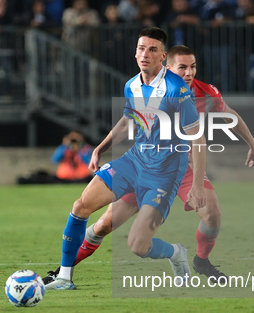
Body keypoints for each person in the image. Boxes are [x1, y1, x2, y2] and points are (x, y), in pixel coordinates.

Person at [43, 45, 254, 286]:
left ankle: (202, 261)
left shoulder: (205, 93)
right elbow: (127, 121)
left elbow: (229, 115)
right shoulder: (152, 90)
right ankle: (63, 272)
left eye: (193, 67)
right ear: (169, 68)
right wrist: (101, 147)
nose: (189, 73)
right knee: (103, 225)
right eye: (183, 68)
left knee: (212, 215)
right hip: (145, 165)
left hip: (184, 168)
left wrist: (252, 143)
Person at [44, 27, 206, 290]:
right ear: (135, 53)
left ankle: (176, 252)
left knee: (138, 245)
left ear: (163, 56)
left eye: (152, 49)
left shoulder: (177, 90)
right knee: (81, 207)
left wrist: (197, 185)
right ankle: (64, 277)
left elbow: (197, 139)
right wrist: (101, 147)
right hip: (135, 162)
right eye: (141, 48)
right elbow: (129, 119)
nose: (145, 54)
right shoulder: (131, 85)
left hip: (163, 173)